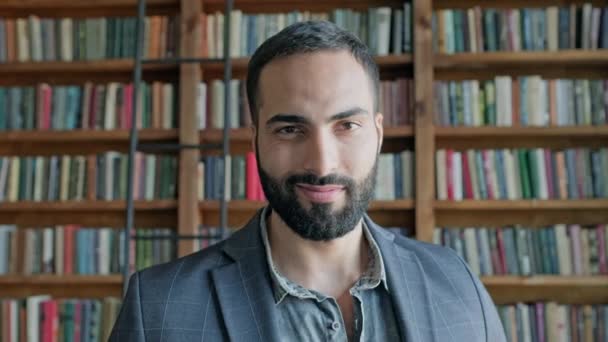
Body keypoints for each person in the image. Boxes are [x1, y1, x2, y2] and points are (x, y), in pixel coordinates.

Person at [110, 20, 506, 341]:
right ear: (256, 141)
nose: (321, 162)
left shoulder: (456, 281)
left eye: (347, 125)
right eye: (289, 130)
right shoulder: (159, 309)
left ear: (379, 135)